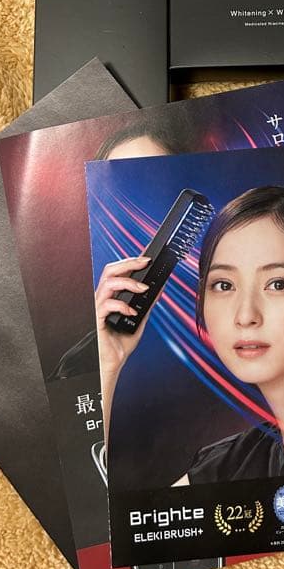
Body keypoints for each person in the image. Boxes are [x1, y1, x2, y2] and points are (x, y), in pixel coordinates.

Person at [96, 185, 284, 482]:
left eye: (278, 284)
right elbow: (91, 507)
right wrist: (108, 362)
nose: (245, 316)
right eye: (224, 285)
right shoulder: (226, 467)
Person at [46, 111, 190, 381]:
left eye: (150, 180)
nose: (134, 206)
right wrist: (109, 364)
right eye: (121, 185)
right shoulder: (79, 361)